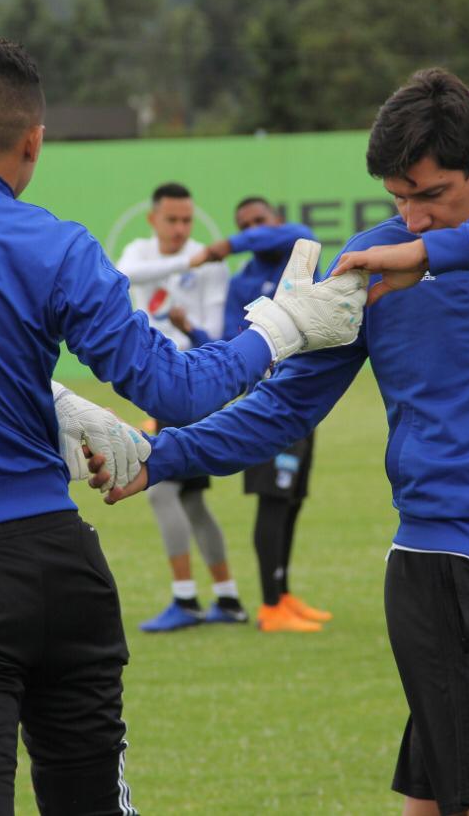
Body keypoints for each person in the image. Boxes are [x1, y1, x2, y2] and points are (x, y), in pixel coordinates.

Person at [0, 40, 367, 815]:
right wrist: (282, 326)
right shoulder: (59, 245)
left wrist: (40, 400)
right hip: (63, 573)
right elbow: (178, 389)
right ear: (35, 145)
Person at [109, 67, 469, 816]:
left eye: (430, 195)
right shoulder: (366, 267)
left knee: (437, 797)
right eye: (398, 199)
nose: (410, 221)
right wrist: (161, 457)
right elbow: (283, 409)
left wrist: (436, 254)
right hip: (451, 569)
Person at [171, 197, 332, 633]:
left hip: (308, 398)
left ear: (274, 222)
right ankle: (269, 605)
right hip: (270, 404)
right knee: (273, 501)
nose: (254, 231)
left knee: (293, 500)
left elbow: (287, 236)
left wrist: (224, 244)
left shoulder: (299, 253)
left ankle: (282, 594)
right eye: (244, 224)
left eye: (258, 222)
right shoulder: (244, 284)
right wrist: (193, 333)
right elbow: (229, 343)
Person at [115, 182, 249, 632]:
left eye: (186, 221)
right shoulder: (139, 252)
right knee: (192, 502)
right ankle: (228, 598)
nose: (179, 228)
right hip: (152, 386)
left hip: (186, 385)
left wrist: (186, 324)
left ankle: (186, 599)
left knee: (159, 491)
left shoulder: (210, 267)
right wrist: (185, 261)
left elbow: (212, 334)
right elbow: (126, 277)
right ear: (153, 219)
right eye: (171, 220)